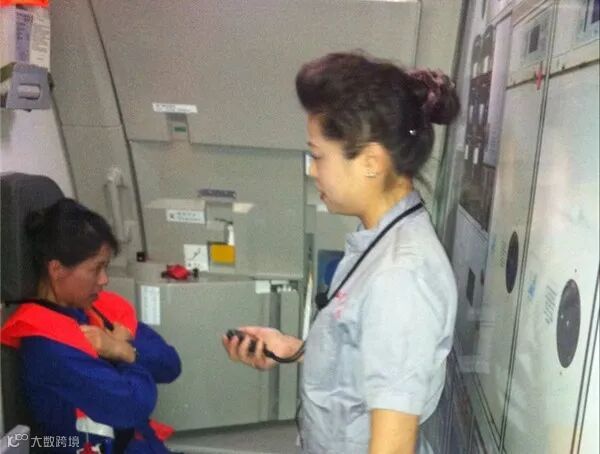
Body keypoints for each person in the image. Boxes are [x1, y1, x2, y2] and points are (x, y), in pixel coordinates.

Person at [222, 52, 459, 453]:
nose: (313, 170)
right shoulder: (380, 239)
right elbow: (364, 353)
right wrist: (291, 348)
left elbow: (392, 447)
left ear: (371, 162)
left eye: (318, 156)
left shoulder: (399, 277)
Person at [1, 198, 182, 453]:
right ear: (56, 269)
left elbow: (170, 365)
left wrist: (124, 350)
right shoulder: (48, 346)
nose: (104, 279)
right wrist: (125, 355)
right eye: (96, 269)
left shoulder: (98, 309)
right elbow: (132, 406)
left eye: (105, 267)